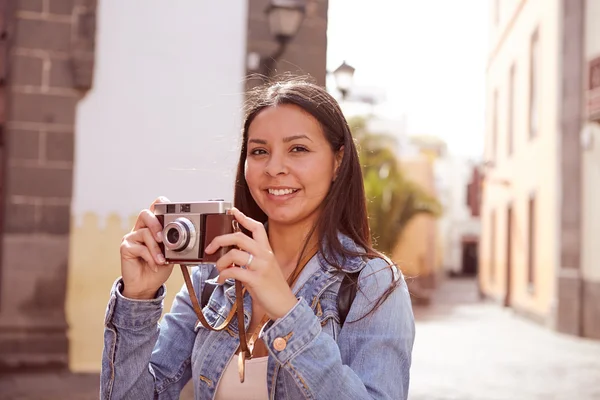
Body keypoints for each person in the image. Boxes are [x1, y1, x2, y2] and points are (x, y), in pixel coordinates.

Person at [100, 78, 415, 399]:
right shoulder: (215, 272)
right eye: (259, 151)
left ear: (337, 160)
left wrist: (287, 312)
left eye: (298, 149)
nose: (275, 167)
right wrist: (138, 300)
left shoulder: (372, 284)